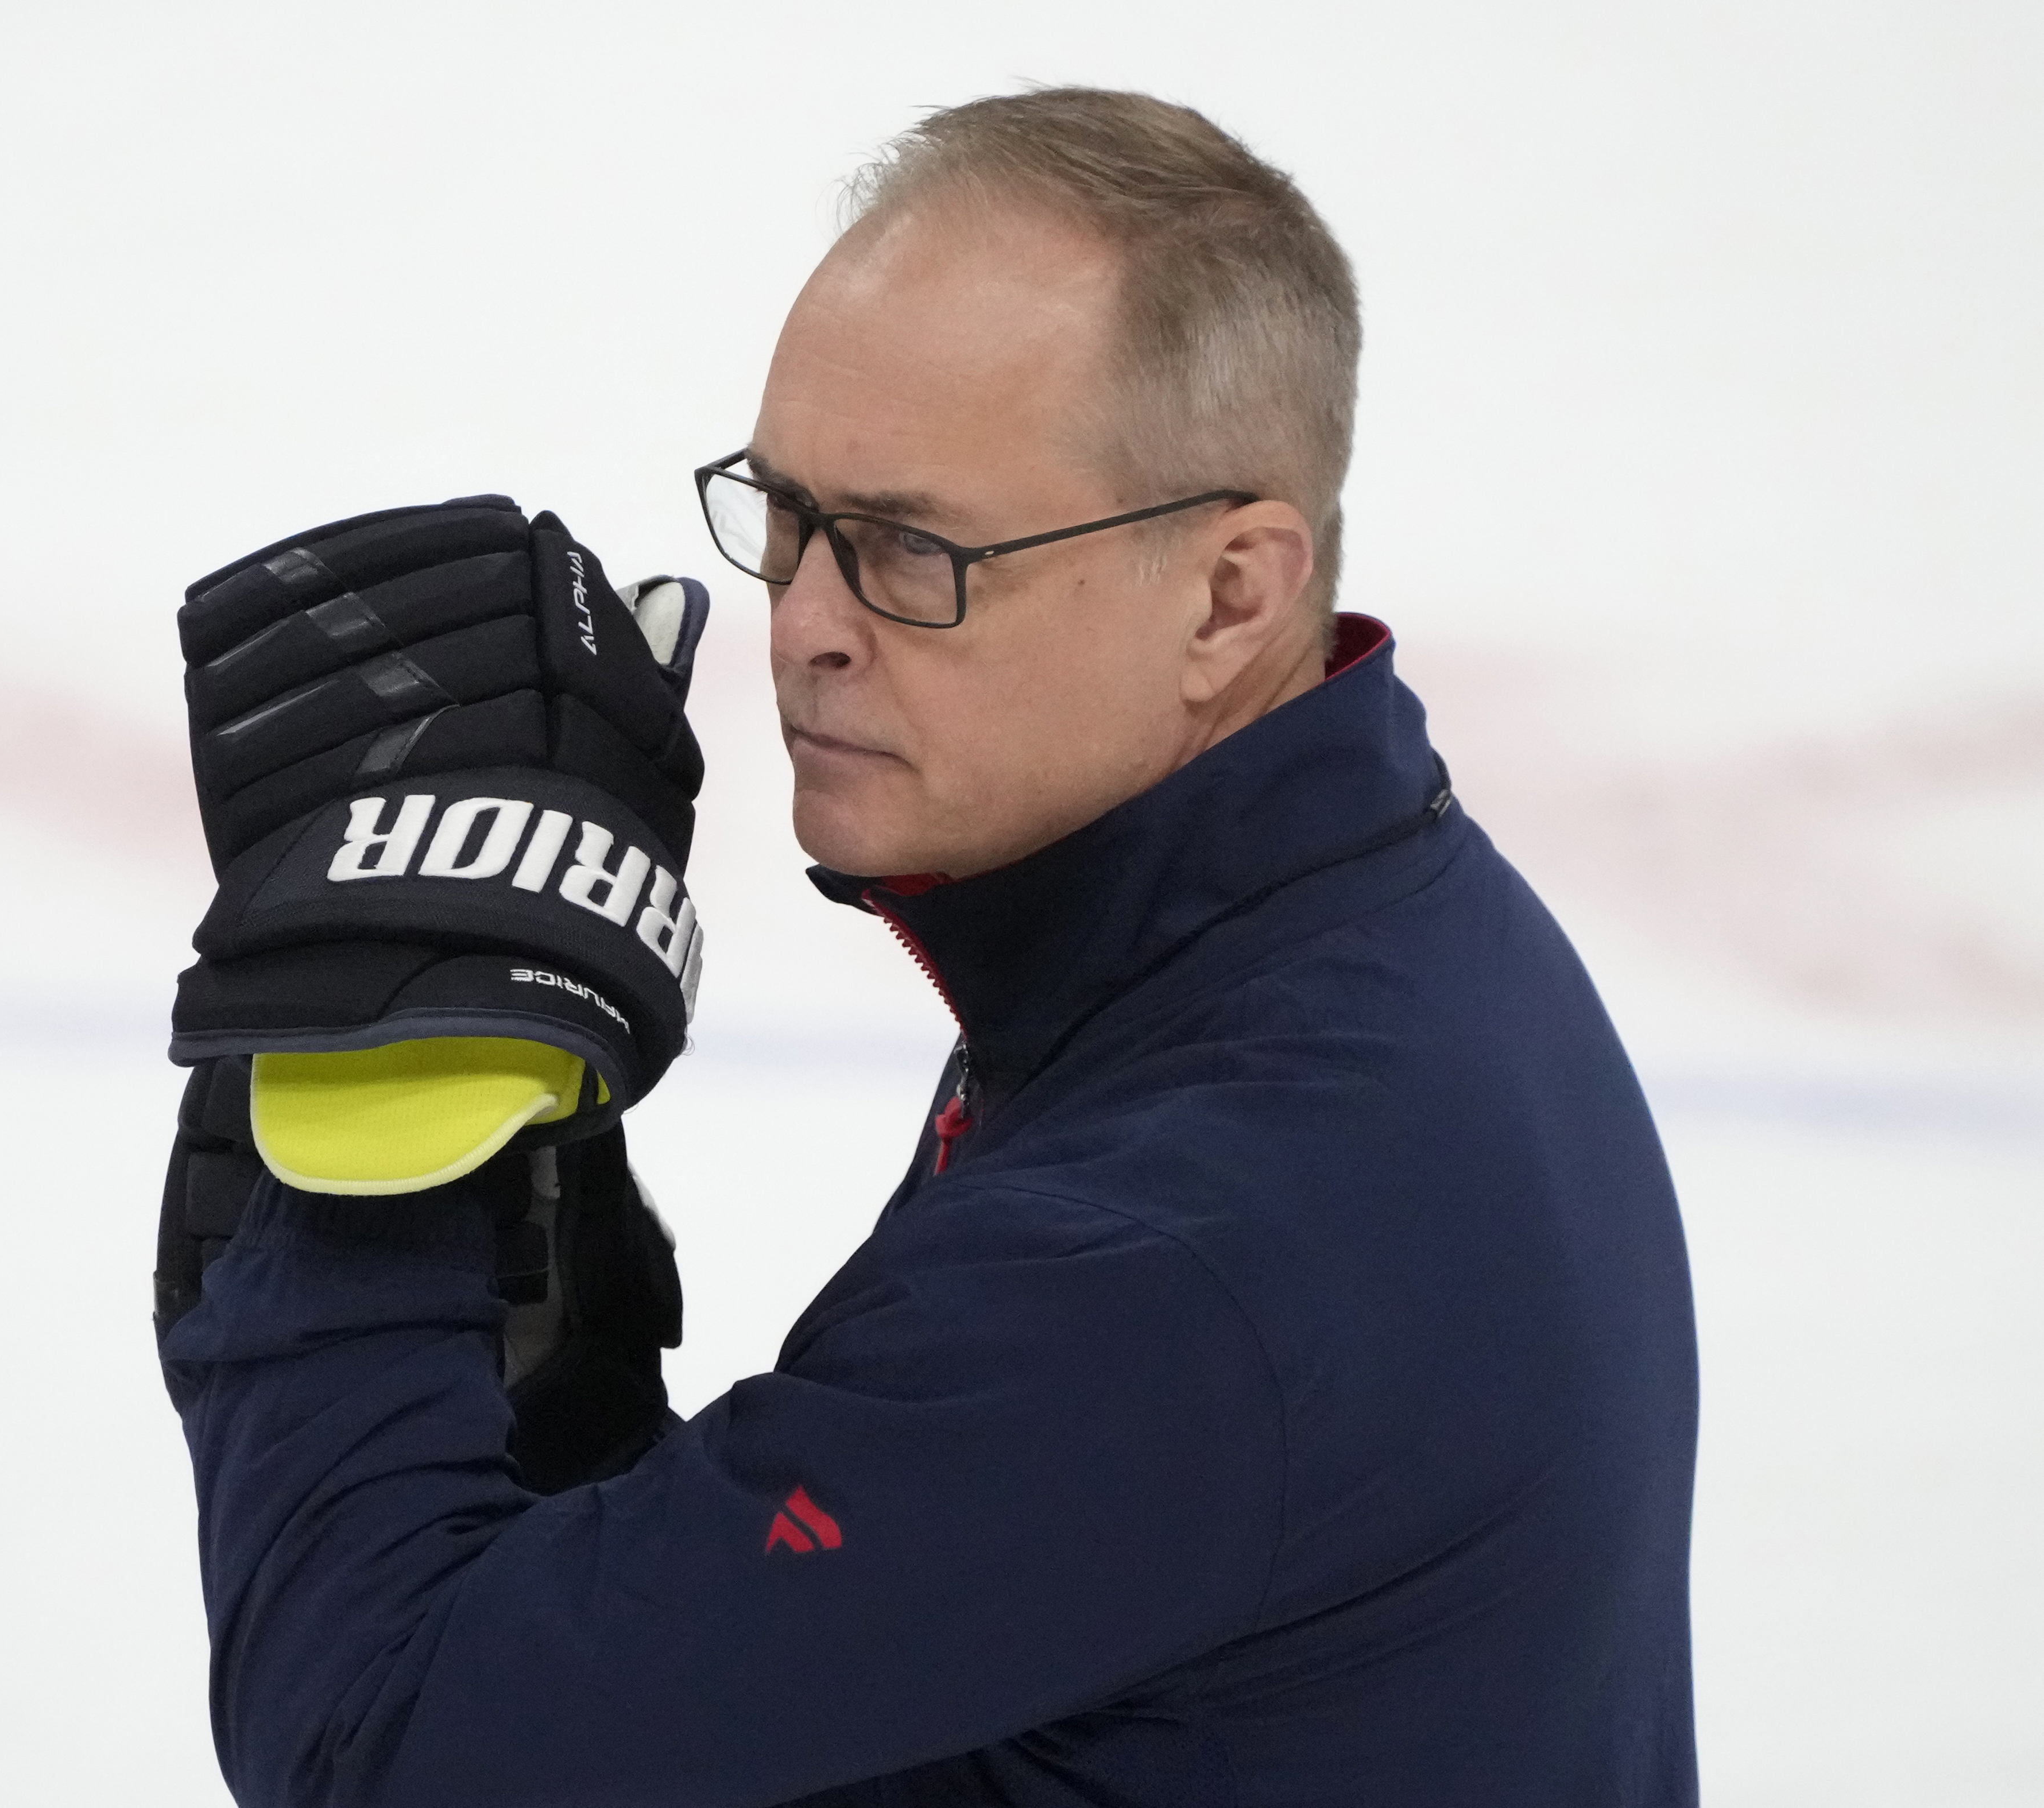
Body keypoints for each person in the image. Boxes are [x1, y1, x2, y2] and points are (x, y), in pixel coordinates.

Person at [153, 86, 1699, 1806]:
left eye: (909, 552)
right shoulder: (1323, 933)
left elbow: (391, 1759)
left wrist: (365, 1170)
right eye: (788, 518)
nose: (803, 628)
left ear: (1228, 596)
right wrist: (556, 1355)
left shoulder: (1168, 1254)